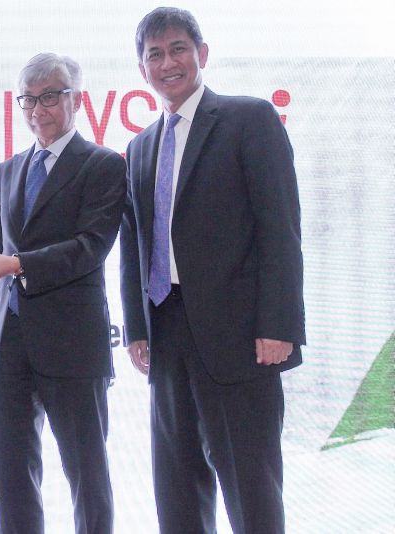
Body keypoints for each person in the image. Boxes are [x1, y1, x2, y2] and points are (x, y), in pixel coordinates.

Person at [120, 7, 305, 534]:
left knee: (251, 492)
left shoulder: (250, 119)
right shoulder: (140, 147)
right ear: (142, 69)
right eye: (155, 54)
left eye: (178, 49)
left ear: (202, 54)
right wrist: (136, 328)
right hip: (166, 336)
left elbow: (280, 229)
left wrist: (278, 325)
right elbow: (134, 244)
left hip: (242, 339)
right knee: (177, 493)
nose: (168, 63)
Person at [0, 53, 126, 534]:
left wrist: (18, 265)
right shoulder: (10, 168)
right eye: (28, 100)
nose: (38, 110)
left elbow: (90, 248)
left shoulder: (103, 165)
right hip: (8, 345)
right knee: (11, 478)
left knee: (87, 477)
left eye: (50, 96)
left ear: (77, 100)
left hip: (73, 343)